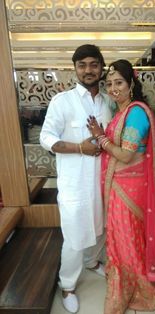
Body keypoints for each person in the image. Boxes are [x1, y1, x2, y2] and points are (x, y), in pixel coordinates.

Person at [87, 59, 155, 314]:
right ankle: (124, 280)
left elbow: (125, 155)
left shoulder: (136, 112)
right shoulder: (122, 112)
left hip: (130, 188)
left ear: (131, 84)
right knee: (122, 236)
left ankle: (137, 285)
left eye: (119, 82)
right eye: (110, 83)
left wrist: (101, 137)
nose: (113, 88)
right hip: (121, 185)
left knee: (128, 237)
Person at [40, 44, 113, 313]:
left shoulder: (108, 102)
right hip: (74, 186)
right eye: (82, 65)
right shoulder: (63, 101)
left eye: (93, 64)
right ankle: (67, 285)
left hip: (104, 182)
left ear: (101, 67)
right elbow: (46, 138)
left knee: (102, 227)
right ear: (75, 69)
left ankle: (93, 262)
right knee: (73, 237)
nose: (88, 70)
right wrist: (79, 147)